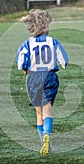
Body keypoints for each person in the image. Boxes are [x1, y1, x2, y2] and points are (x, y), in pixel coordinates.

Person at [15, 9, 69, 155]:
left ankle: (43, 141)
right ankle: (47, 134)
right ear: (46, 26)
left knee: (39, 112)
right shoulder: (53, 41)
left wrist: (25, 69)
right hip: (50, 77)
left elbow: (21, 63)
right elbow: (64, 61)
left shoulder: (28, 43)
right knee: (48, 110)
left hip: (33, 78)